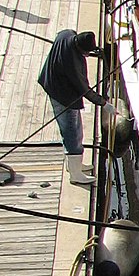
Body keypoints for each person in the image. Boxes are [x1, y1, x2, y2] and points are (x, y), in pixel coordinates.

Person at [38, 29, 106, 186]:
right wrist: (103, 103)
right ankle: (75, 175)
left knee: (77, 129)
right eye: (86, 52)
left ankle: (74, 165)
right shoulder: (72, 62)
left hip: (53, 82)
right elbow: (84, 89)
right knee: (71, 132)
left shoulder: (67, 34)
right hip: (62, 96)